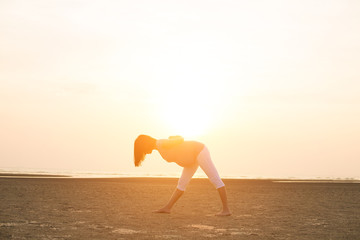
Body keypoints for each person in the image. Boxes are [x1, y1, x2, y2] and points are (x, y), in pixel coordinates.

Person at [134, 135, 231, 216]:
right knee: (181, 184)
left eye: (141, 149)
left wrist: (173, 138)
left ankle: (226, 210)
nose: (144, 152)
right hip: (191, 160)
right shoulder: (159, 147)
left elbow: (180, 139)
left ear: (145, 144)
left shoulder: (160, 143)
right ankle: (167, 208)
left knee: (215, 179)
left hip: (199, 151)